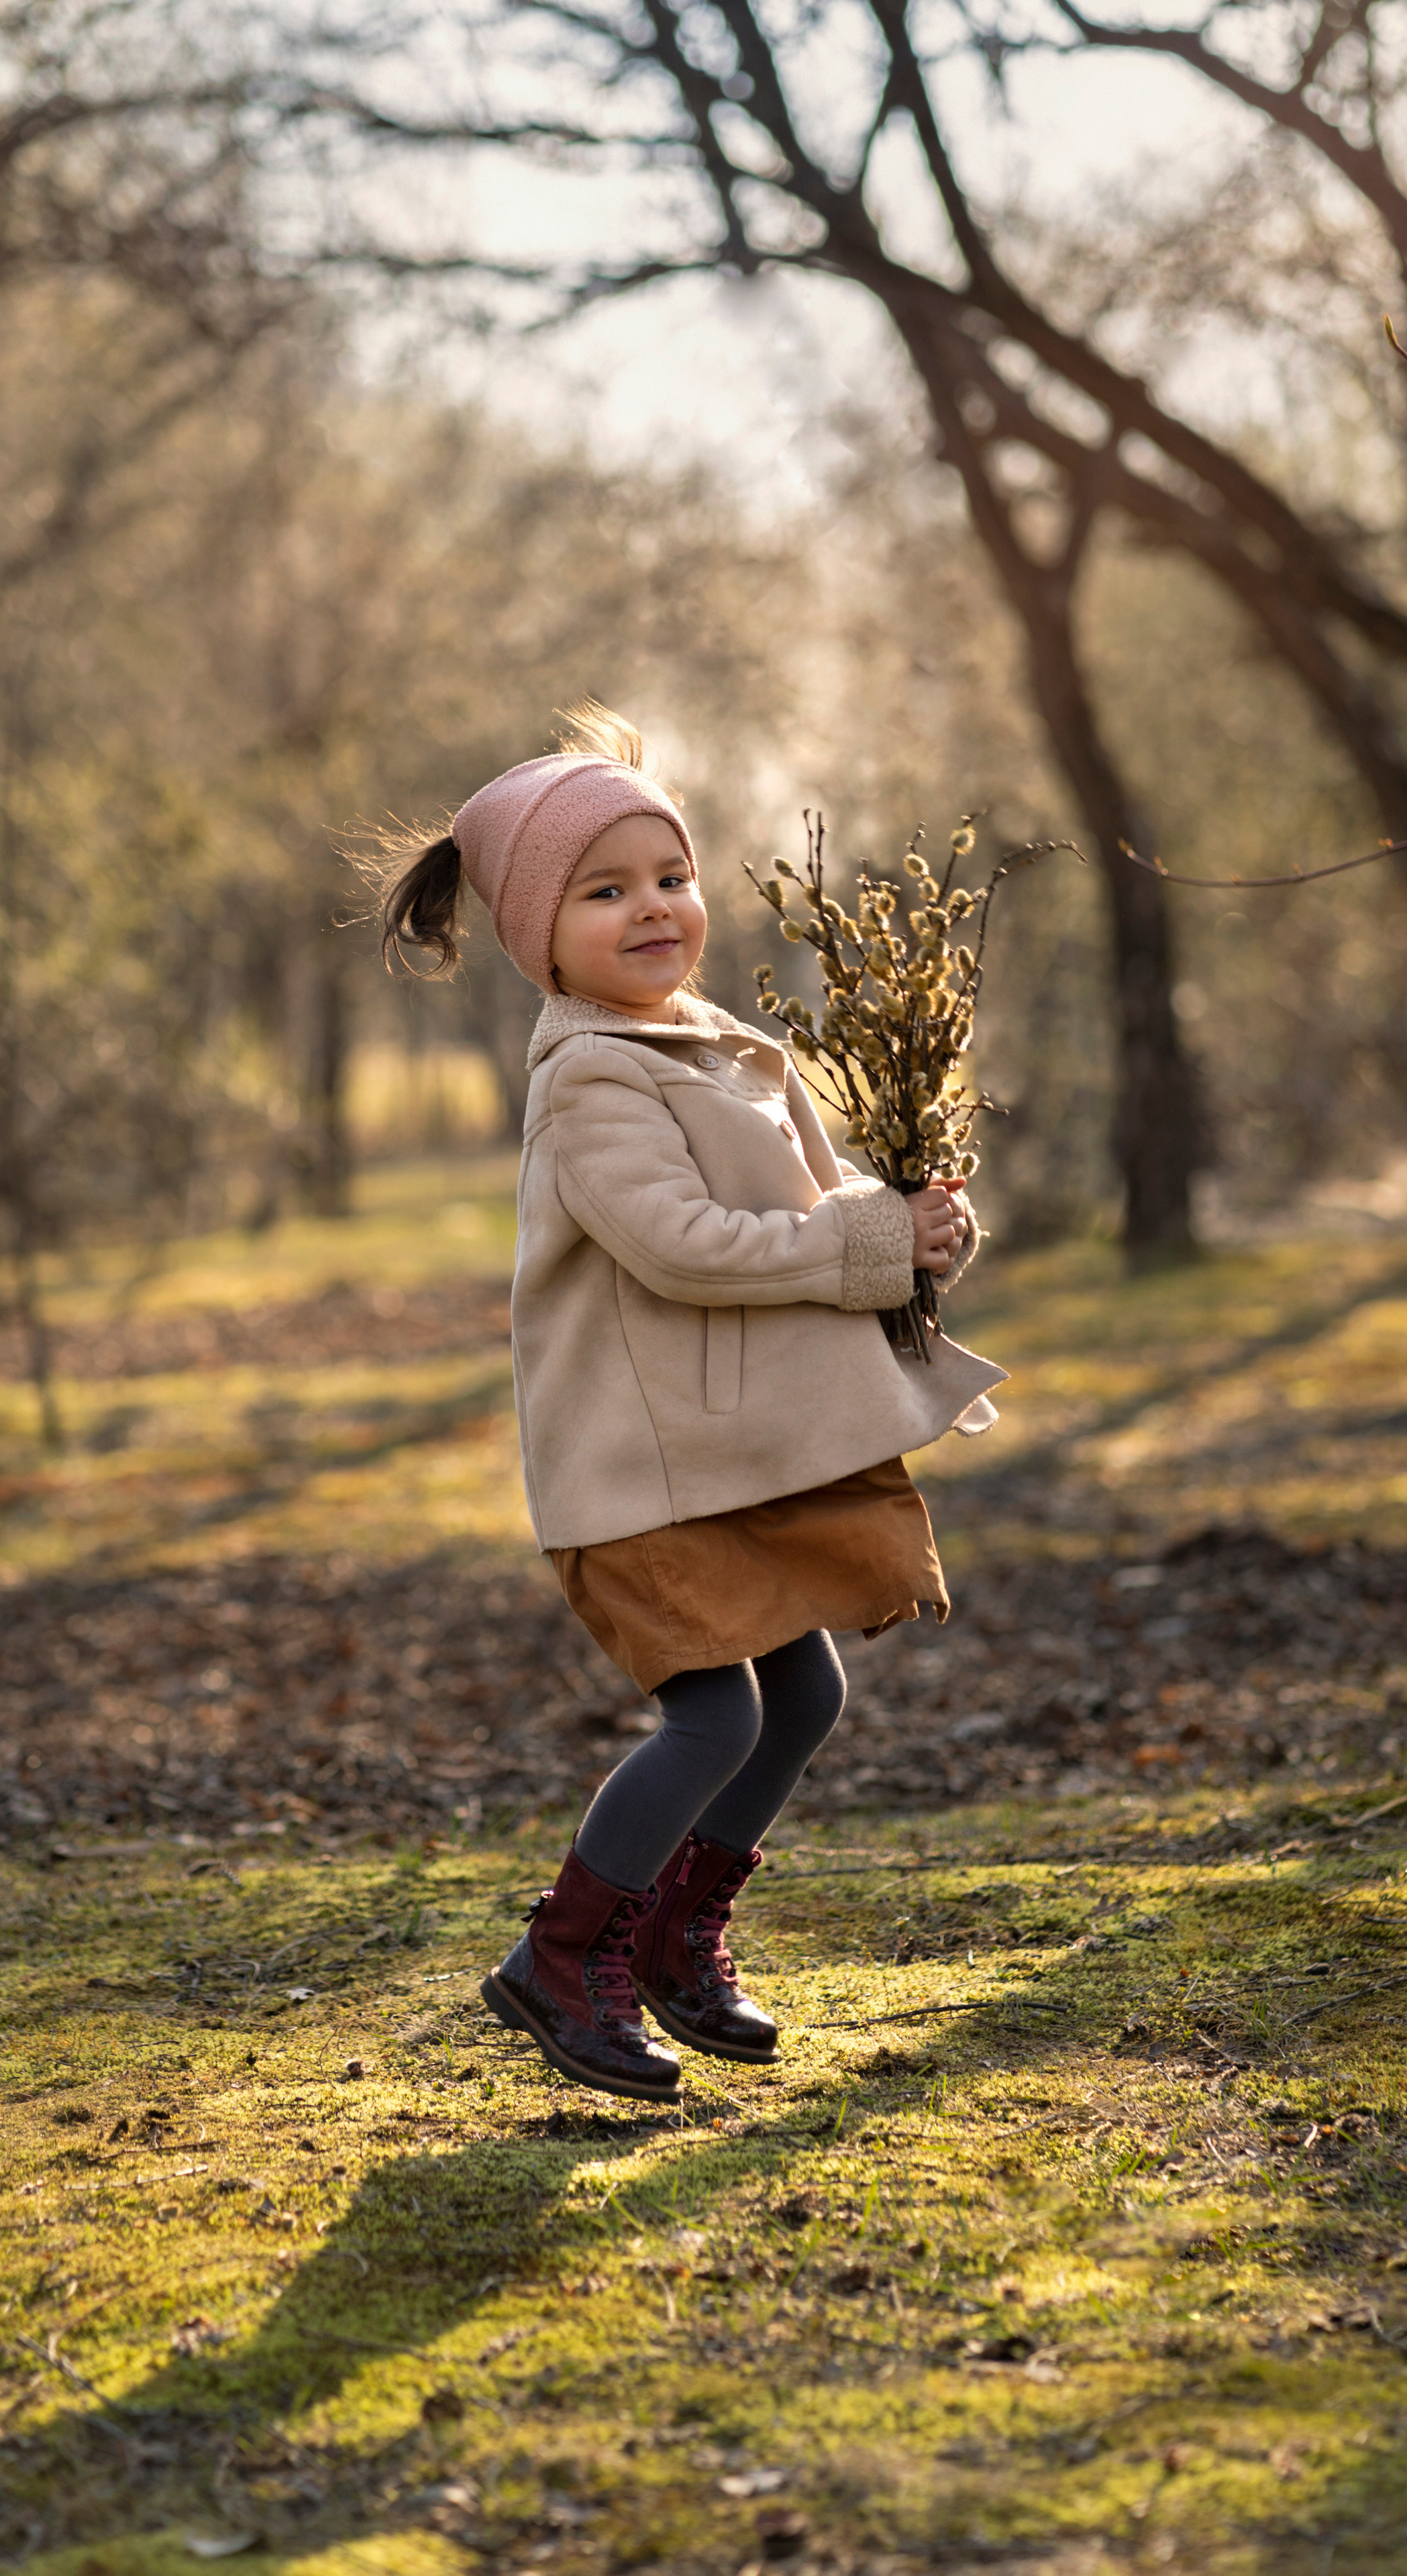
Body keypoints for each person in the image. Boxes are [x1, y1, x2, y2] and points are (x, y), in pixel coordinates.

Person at [374, 704, 1005, 2103]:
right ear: (542, 940)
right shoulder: (591, 1078)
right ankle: (560, 1956)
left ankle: (671, 1931)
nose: (653, 908)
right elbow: (685, 1246)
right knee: (716, 1719)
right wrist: (860, 1244)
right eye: (605, 893)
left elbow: (804, 1205)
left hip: (727, 1457)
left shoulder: (709, 1043)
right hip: (641, 1477)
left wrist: (909, 1230)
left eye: (670, 877)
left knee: (803, 1696)